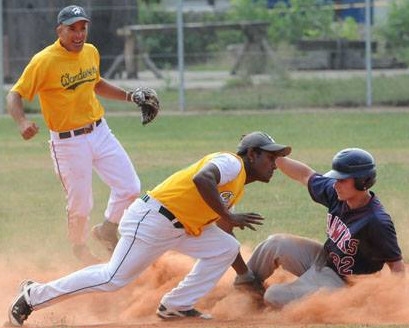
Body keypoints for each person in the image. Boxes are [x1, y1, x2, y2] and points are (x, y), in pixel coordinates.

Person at [8, 131, 291, 326]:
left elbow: (222, 228)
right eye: (270, 157)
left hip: (178, 228)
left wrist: (245, 275)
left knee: (226, 247)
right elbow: (203, 179)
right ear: (252, 154)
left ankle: (176, 306)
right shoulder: (231, 163)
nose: (274, 165)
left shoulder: (237, 185)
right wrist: (229, 213)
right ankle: (34, 295)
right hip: (152, 220)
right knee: (112, 279)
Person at [7, 5, 159, 264]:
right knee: (81, 205)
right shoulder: (44, 61)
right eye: (72, 29)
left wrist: (130, 96)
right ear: (60, 31)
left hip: (100, 131)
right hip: (68, 143)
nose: (79, 34)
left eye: (82, 28)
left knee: (130, 187)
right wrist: (22, 122)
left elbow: (96, 83)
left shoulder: (90, 51)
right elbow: (14, 94)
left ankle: (107, 230)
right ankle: (78, 247)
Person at [234, 148, 405, 308]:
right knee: (274, 243)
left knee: (273, 295)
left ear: (363, 182)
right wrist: (272, 156)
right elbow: (305, 175)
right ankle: (245, 288)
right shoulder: (338, 193)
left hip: (342, 284)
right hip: (324, 259)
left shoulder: (376, 221)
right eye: (336, 179)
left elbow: (396, 264)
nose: (336, 184)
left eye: (342, 180)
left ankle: (338, 303)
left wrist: (392, 302)